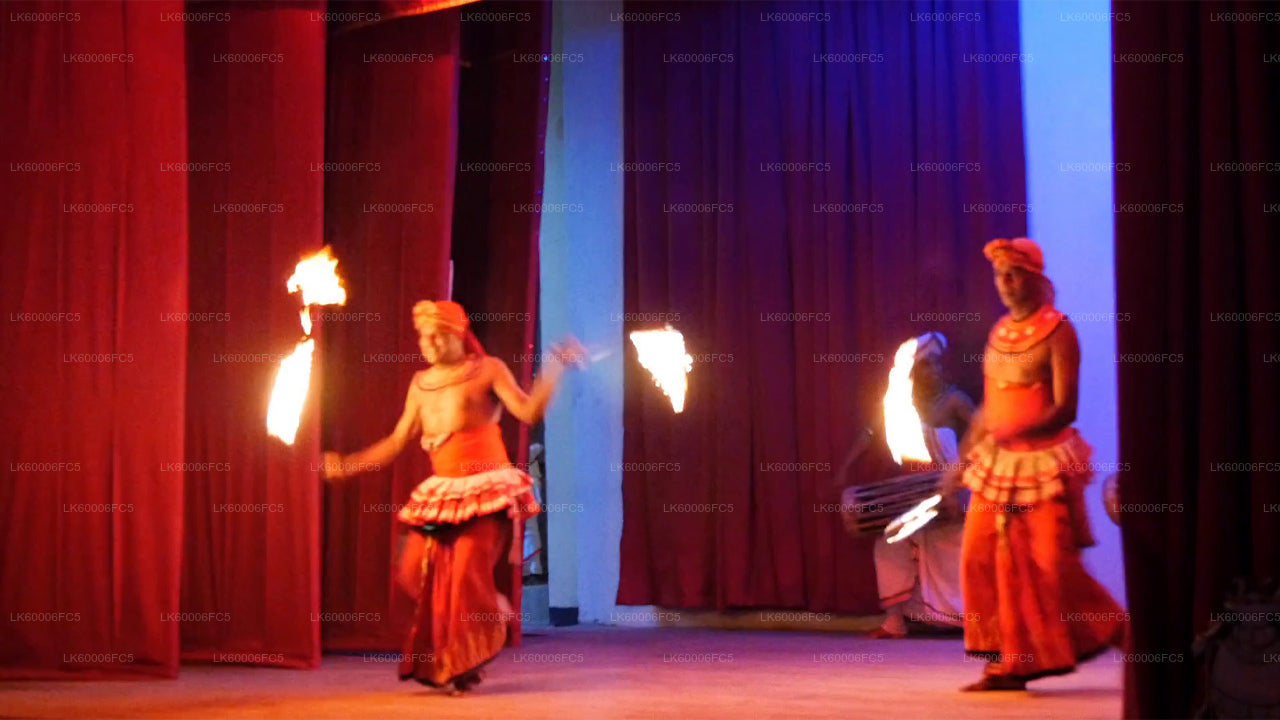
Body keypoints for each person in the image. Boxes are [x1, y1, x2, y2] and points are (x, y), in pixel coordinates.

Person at [321, 300, 583, 694]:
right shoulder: (420, 384)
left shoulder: (488, 369)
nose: (427, 344)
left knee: (464, 574)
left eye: (436, 336)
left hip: (488, 489)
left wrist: (555, 366)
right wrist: (347, 465)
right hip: (443, 492)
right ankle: (490, 609)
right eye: (422, 337)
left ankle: (461, 665)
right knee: (413, 572)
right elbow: (396, 441)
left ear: (458, 334)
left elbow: (529, 412)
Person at [946, 237, 1125, 691]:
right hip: (996, 464)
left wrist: (1015, 431)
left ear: (1034, 279)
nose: (1005, 283)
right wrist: (964, 453)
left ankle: (1124, 636)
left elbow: (1066, 408)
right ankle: (1004, 663)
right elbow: (989, 406)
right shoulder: (999, 332)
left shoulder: (1058, 331)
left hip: (1040, 464)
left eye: (1014, 275)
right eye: (999, 275)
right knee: (980, 556)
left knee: (1050, 566)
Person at [869, 332, 975, 638]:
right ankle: (895, 621)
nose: (933, 370)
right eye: (925, 365)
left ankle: (974, 621)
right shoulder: (904, 404)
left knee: (966, 545)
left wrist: (959, 486)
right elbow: (871, 433)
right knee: (889, 541)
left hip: (955, 493)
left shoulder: (955, 401)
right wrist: (844, 469)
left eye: (937, 364)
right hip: (917, 495)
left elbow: (984, 438)